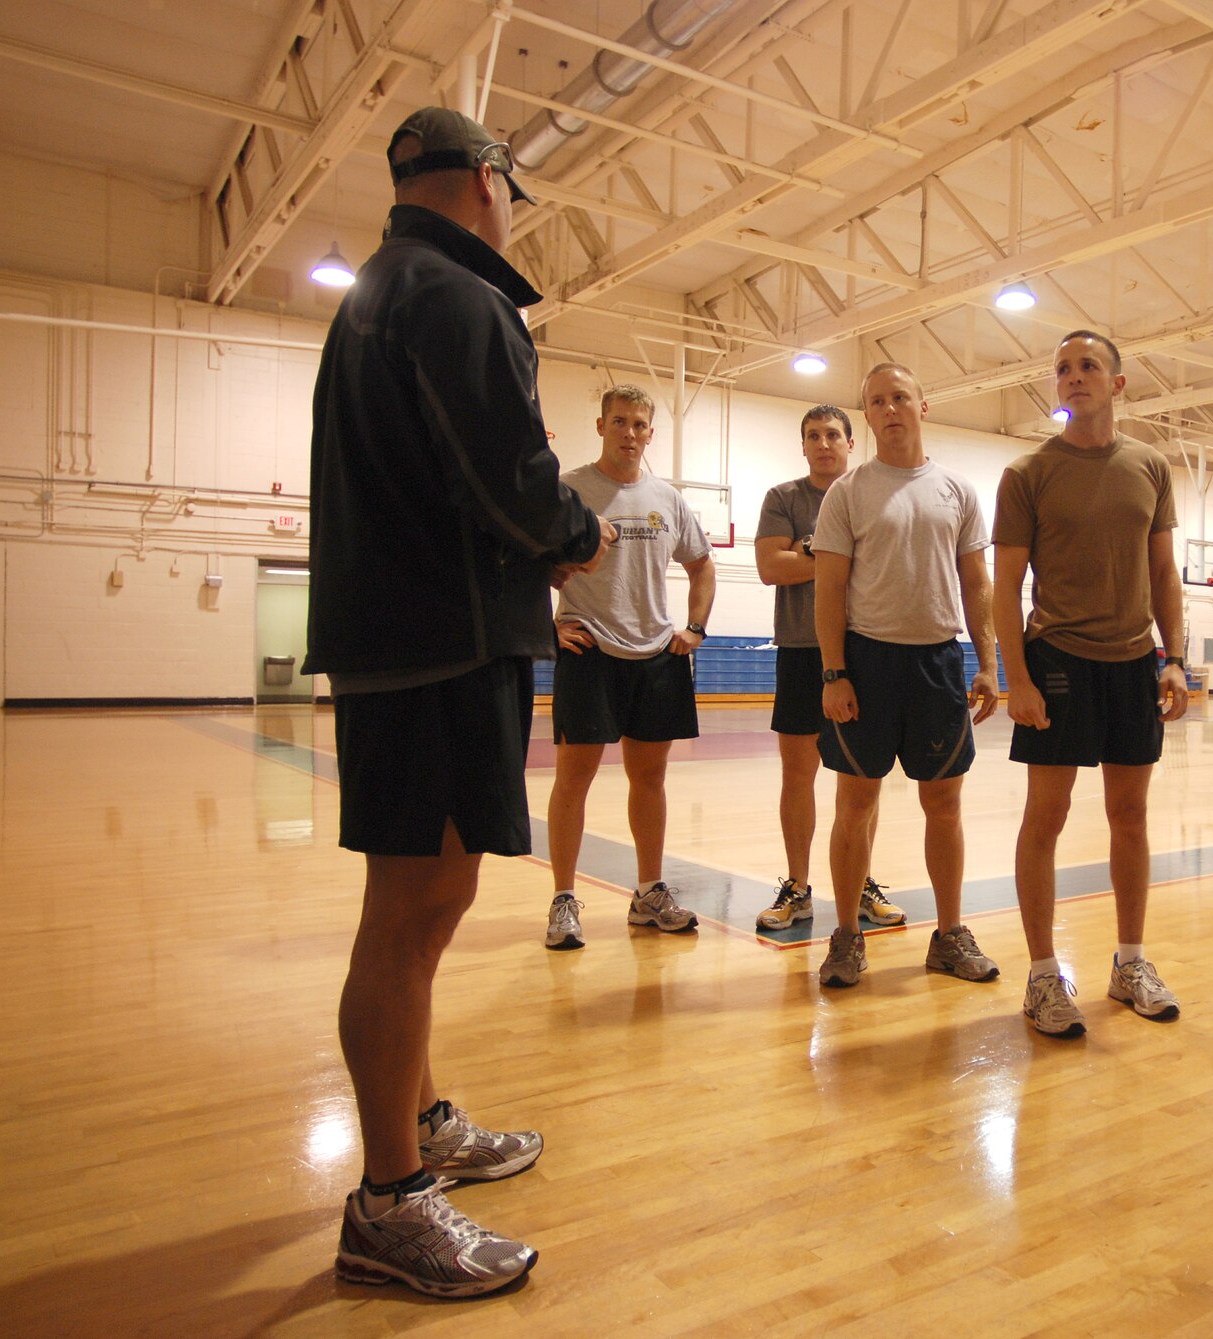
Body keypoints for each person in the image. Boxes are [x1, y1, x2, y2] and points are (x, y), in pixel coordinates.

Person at [306, 106, 615, 1297]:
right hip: (436, 643)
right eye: (507, 187)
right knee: (411, 906)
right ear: (487, 179)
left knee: (425, 902)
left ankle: (418, 1120)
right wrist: (573, 533)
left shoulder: (387, 284)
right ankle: (388, 1200)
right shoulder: (450, 294)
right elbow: (511, 471)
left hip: (417, 638)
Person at [993, 331, 1191, 1040]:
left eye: (1088, 367)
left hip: (1134, 659)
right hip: (1059, 660)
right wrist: (1016, 676)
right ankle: (1043, 973)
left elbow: (1164, 572)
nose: (1074, 377)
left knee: (1130, 816)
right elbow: (1005, 586)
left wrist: (1174, 658)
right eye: (1064, 369)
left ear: (1118, 382)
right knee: (1045, 817)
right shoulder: (1027, 472)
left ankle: (1129, 963)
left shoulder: (1150, 465)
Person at [811, 362, 1000, 988]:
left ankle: (948, 935)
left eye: (900, 397)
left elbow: (977, 585)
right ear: (866, 414)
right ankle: (846, 936)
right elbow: (829, 589)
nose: (890, 408)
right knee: (854, 804)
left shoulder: (958, 491)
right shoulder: (848, 493)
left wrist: (989, 661)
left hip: (938, 664)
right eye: (877, 401)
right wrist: (834, 672)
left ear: (925, 404)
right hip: (866, 665)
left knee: (943, 804)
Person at [542, 385, 717, 950]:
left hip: (656, 655)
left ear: (650, 433)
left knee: (651, 779)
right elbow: (522, 561)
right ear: (600, 426)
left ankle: (647, 893)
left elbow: (702, 564)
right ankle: (563, 900)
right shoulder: (568, 489)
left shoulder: (668, 498)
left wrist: (694, 628)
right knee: (574, 780)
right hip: (588, 652)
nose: (630, 433)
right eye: (620, 422)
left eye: (640, 424)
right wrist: (547, 626)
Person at [752, 406, 905, 933]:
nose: (823, 443)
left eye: (833, 435)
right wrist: (841, 555)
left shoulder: (872, 492)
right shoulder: (783, 498)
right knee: (798, 775)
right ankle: (798, 886)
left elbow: (880, 562)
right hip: (800, 651)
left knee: (861, 779)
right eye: (813, 436)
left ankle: (859, 882)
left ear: (850, 442)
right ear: (803, 445)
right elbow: (772, 568)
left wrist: (810, 551)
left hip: (862, 650)